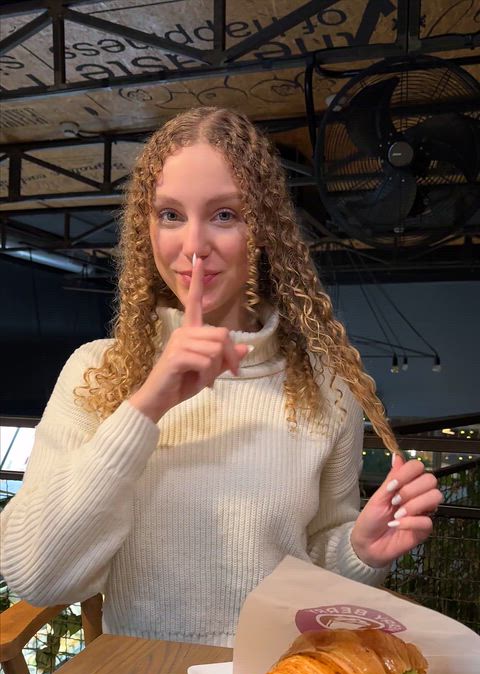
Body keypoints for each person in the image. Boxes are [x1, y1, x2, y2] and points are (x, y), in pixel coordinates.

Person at [0, 107, 442, 646]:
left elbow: (320, 549)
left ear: (263, 229)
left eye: (225, 215)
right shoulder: (98, 371)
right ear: (146, 229)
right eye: (169, 215)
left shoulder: (328, 387)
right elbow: (35, 576)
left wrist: (360, 552)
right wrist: (145, 408)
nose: (192, 246)